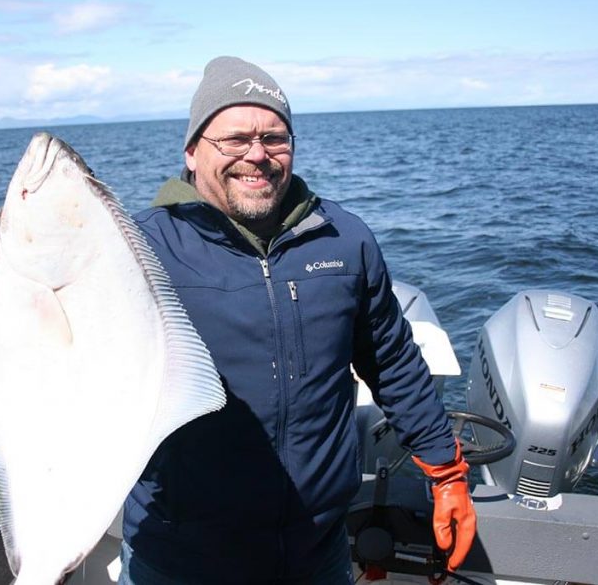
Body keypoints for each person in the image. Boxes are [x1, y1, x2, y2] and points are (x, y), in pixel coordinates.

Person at [121, 56, 474, 584]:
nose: (257, 155)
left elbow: (391, 359)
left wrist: (445, 470)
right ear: (192, 152)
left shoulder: (344, 238)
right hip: (180, 554)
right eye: (235, 140)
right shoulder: (141, 249)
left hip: (317, 549)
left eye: (275, 137)